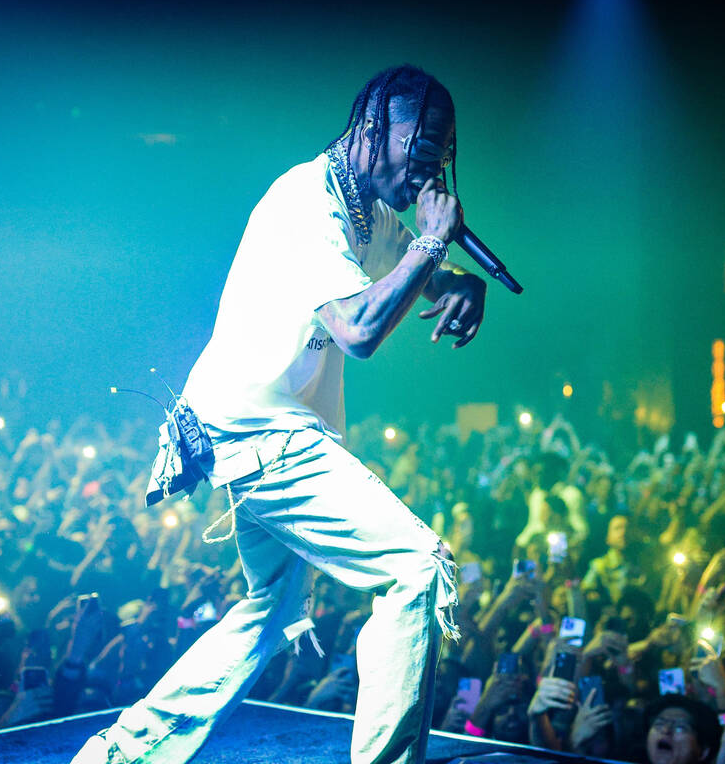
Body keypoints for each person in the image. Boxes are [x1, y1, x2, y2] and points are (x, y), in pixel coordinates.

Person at [72, 64, 488, 764]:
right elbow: (358, 329)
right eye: (420, 149)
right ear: (373, 127)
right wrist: (431, 243)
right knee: (416, 568)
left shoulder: (369, 212)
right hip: (259, 429)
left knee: (269, 609)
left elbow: (411, 277)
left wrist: (458, 282)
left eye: (439, 157)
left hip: (255, 426)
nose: (428, 172)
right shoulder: (306, 204)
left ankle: (119, 754)